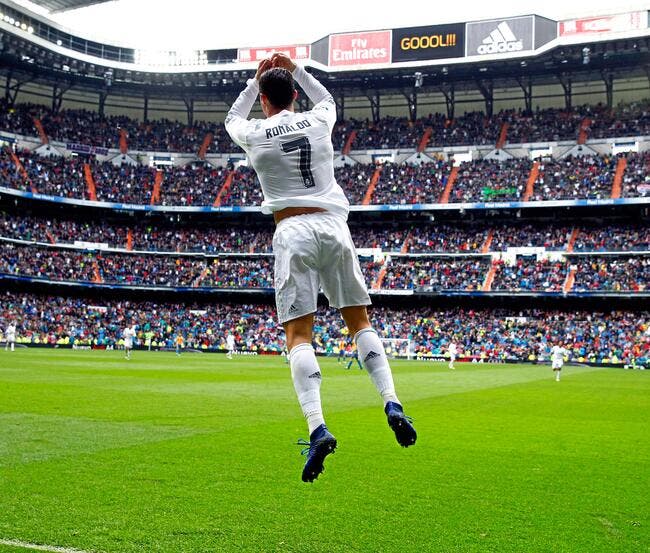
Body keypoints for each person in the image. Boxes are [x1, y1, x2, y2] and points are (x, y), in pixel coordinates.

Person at [225, 53, 416, 483]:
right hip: (334, 226)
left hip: (292, 228)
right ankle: (391, 400)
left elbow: (232, 117)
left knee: (298, 335)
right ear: (294, 94)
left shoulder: (254, 131)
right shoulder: (318, 119)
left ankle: (317, 427)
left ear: (265, 101)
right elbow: (327, 97)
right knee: (359, 320)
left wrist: (255, 84)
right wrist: (296, 70)